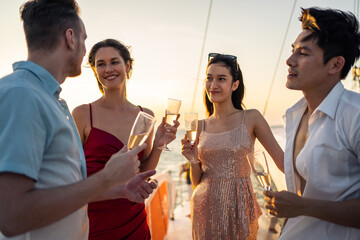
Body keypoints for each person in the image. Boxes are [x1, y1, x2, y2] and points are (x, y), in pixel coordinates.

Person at [0, 1, 154, 239]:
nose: (85, 50)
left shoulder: (52, 102)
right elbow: (12, 216)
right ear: (70, 38)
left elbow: (63, 189)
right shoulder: (21, 95)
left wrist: (121, 190)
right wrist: (106, 177)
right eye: (84, 39)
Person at [264, 7, 360, 239]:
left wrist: (303, 207)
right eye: (292, 51)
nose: (289, 60)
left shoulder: (354, 114)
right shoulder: (294, 114)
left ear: (335, 65)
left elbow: (302, 204)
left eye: (303, 53)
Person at [72, 38, 180, 240]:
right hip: (93, 221)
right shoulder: (82, 114)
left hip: (134, 219)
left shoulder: (145, 115)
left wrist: (158, 145)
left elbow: (143, 173)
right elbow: (70, 177)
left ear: (127, 65)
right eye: (100, 64)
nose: (108, 69)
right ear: (95, 71)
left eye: (114, 62)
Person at [181, 53, 284, 240]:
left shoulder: (251, 117)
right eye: (209, 78)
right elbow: (197, 182)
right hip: (204, 207)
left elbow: (282, 161)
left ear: (234, 85)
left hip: (240, 206)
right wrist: (192, 159)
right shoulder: (199, 125)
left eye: (221, 79)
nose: (213, 85)